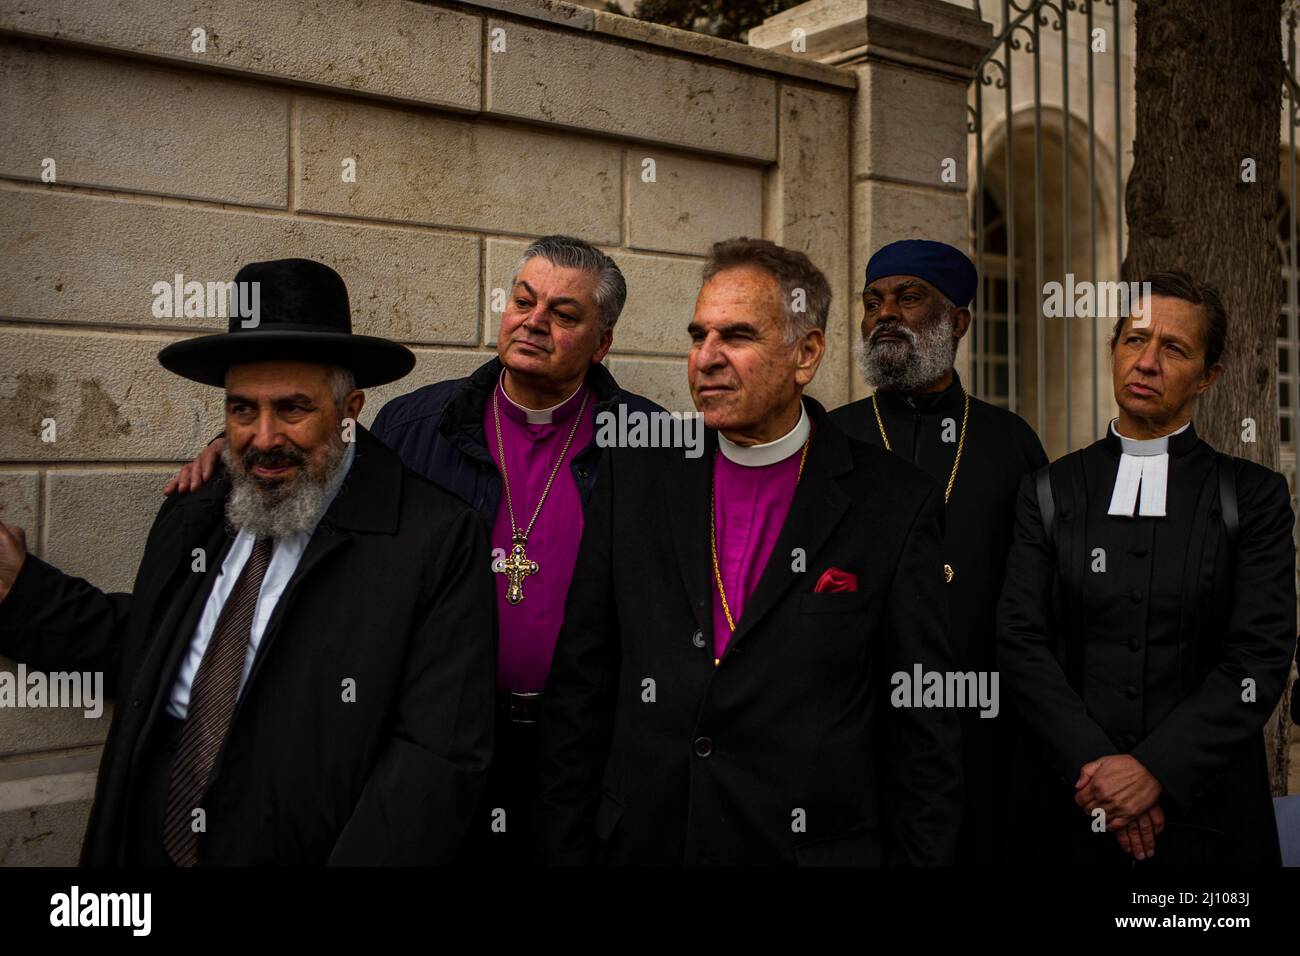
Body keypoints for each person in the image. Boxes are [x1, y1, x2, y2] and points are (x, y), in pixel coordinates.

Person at [165, 236, 659, 864]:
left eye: (563, 315)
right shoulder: (413, 424)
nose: (533, 322)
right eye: (523, 301)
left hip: (578, 747)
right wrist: (233, 448)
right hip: (432, 732)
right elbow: (322, 460)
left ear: (603, 341)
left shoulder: (647, 444)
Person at [0, 258, 496, 865]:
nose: (262, 437)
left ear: (350, 411)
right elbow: (151, 646)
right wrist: (21, 592)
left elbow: (434, 763)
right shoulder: (201, 503)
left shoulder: (435, 541)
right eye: (242, 410)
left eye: (292, 409)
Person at [536, 238, 963, 866]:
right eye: (697, 336)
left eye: (735, 337)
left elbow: (923, 731)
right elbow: (581, 688)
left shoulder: (892, 503)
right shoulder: (637, 476)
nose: (705, 360)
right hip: (647, 843)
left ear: (805, 353)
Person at [997, 271, 1297, 865]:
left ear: (1208, 376)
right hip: (1076, 810)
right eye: (1134, 340)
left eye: (1175, 349)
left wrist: (1156, 771)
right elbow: (1020, 640)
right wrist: (1101, 776)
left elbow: (1259, 654)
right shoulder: (1050, 489)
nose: (1147, 362)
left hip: (1209, 818)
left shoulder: (1254, 496)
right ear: (1113, 351)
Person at [830, 239, 1046, 864]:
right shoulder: (831, 436)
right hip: (855, 720)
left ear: (958, 321)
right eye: (872, 302)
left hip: (980, 723)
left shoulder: (1011, 443)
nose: (884, 314)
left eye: (907, 296)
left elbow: (1034, 597)